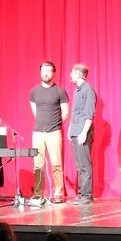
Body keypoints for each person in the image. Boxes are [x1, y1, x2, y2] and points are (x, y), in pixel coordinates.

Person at [30, 61, 69, 202]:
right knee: (38, 164)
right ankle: (38, 193)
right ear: (40, 72)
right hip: (38, 133)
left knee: (56, 164)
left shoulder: (60, 91)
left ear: (53, 73)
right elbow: (35, 112)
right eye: (43, 71)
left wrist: (55, 125)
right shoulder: (34, 92)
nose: (45, 73)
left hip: (54, 132)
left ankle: (58, 194)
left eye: (49, 70)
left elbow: (65, 112)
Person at [68, 63, 96, 204]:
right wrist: (70, 130)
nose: (70, 75)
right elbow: (75, 112)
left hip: (82, 132)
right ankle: (80, 194)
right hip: (75, 131)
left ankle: (86, 195)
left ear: (78, 75)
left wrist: (84, 133)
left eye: (72, 73)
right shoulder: (77, 91)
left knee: (85, 165)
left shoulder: (88, 90)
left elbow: (89, 114)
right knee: (79, 166)